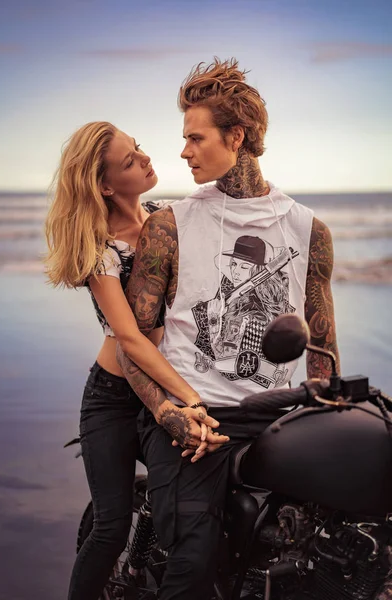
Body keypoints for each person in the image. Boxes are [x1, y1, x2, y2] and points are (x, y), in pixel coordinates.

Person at [117, 58, 340, 600]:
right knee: (193, 560)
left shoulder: (309, 229)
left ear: (236, 136)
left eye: (195, 138)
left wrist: (328, 406)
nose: (183, 150)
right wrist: (167, 413)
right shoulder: (170, 225)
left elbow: (320, 341)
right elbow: (135, 345)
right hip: (193, 411)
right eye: (184, 138)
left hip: (274, 412)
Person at [44, 121, 227, 600]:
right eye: (129, 161)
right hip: (113, 398)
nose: (145, 159)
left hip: (166, 385)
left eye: (138, 149)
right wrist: (189, 395)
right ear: (104, 184)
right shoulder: (100, 248)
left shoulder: (166, 219)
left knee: (191, 505)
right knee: (109, 526)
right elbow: (130, 337)